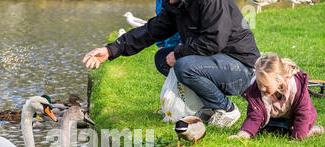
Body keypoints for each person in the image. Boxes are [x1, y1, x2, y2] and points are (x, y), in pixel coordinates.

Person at [83, 0, 260, 127]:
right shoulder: (176, 5)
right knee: (162, 58)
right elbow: (149, 31)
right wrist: (111, 49)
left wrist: (180, 53)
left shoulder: (211, 2)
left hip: (240, 68)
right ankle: (208, 106)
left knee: (183, 66)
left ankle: (227, 109)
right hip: (215, 63)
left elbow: (214, 41)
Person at [228, 53, 323, 140]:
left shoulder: (296, 89)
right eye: (260, 84)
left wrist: (297, 139)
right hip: (272, 119)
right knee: (262, 131)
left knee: (296, 131)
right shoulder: (257, 91)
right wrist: (242, 135)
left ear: (279, 81)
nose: (262, 89)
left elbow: (303, 115)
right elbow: (254, 116)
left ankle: (313, 130)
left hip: (293, 121)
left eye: (266, 86)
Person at [154, 0, 182, 76]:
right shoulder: (159, 2)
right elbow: (158, 21)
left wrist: (182, 47)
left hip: (183, 44)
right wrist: (160, 44)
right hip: (168, 42)